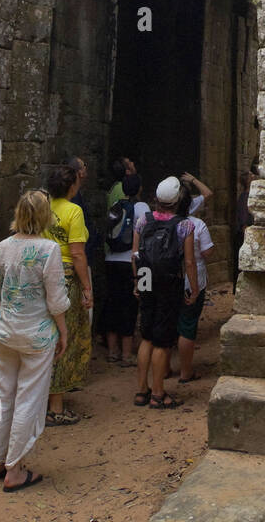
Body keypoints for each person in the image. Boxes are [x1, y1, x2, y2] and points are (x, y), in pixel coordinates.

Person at [0, 190, 69, 492]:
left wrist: (0, 323)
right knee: (28, 399)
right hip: (36, 335)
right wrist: (63, 331)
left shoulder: (3, 248)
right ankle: (13, 467)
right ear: (45, 216)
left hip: (5, 332)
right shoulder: (49, 250)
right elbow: (56, 300)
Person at [132, 176, 198, 410]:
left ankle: (142, 390)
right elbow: (189, 262)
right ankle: (158, 393)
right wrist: (194, 287)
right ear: (178, 199)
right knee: (162, 339)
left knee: (147, 335)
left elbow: (136, 255)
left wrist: (137, 282)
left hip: (147, 279)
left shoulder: (143, 220)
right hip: (169, 281)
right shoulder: (184, 225)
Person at [43, 162, 92, 425]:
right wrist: (86, 287)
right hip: (65, 279)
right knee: (64, 339)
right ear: (72, 185)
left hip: (40, 277)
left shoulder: (41, 207)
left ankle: (38, 398)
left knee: (43, 337)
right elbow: (76, 253)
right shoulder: (73, 211)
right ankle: (56, 406)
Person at [101, 171, 149, 365]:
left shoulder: (115, 206)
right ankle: (127, 354)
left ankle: (112, 351)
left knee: (113, 303)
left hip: (111, 259)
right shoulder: (141, 207)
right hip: (130, 261)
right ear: (138, 189)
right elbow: (146, 230)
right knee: (129, 306)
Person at [174, 182, 214, 385]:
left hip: (166, 280)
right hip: (192, 280)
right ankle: (185, 371)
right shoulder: (197, 225)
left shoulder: (158, 222)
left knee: (168, 323)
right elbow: (207, 252)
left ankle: (163, 369)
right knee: (187, 325)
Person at [233, 162, 257, 288]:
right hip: (244, 236)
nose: (254, 176)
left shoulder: (248, 196)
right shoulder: (245, 197)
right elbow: (243, 220)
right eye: (252, 175)